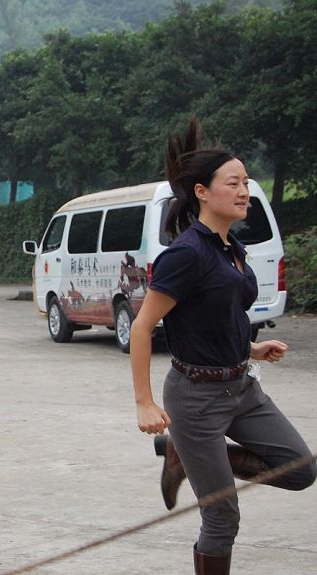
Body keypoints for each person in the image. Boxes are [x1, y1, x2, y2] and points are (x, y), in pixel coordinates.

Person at [130, 116, 316, 574]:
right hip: (196, 399)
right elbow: (141, 328)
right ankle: (187, 449)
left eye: (247, 183)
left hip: (242, 387)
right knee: (222, 515)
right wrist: (145, 403)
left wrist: (250, 349)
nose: (244, 191)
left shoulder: (231, 248)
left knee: (299, 468)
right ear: (201, 191)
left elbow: (220, 311)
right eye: (233, 183)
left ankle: (183, 454)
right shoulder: (186, 254)